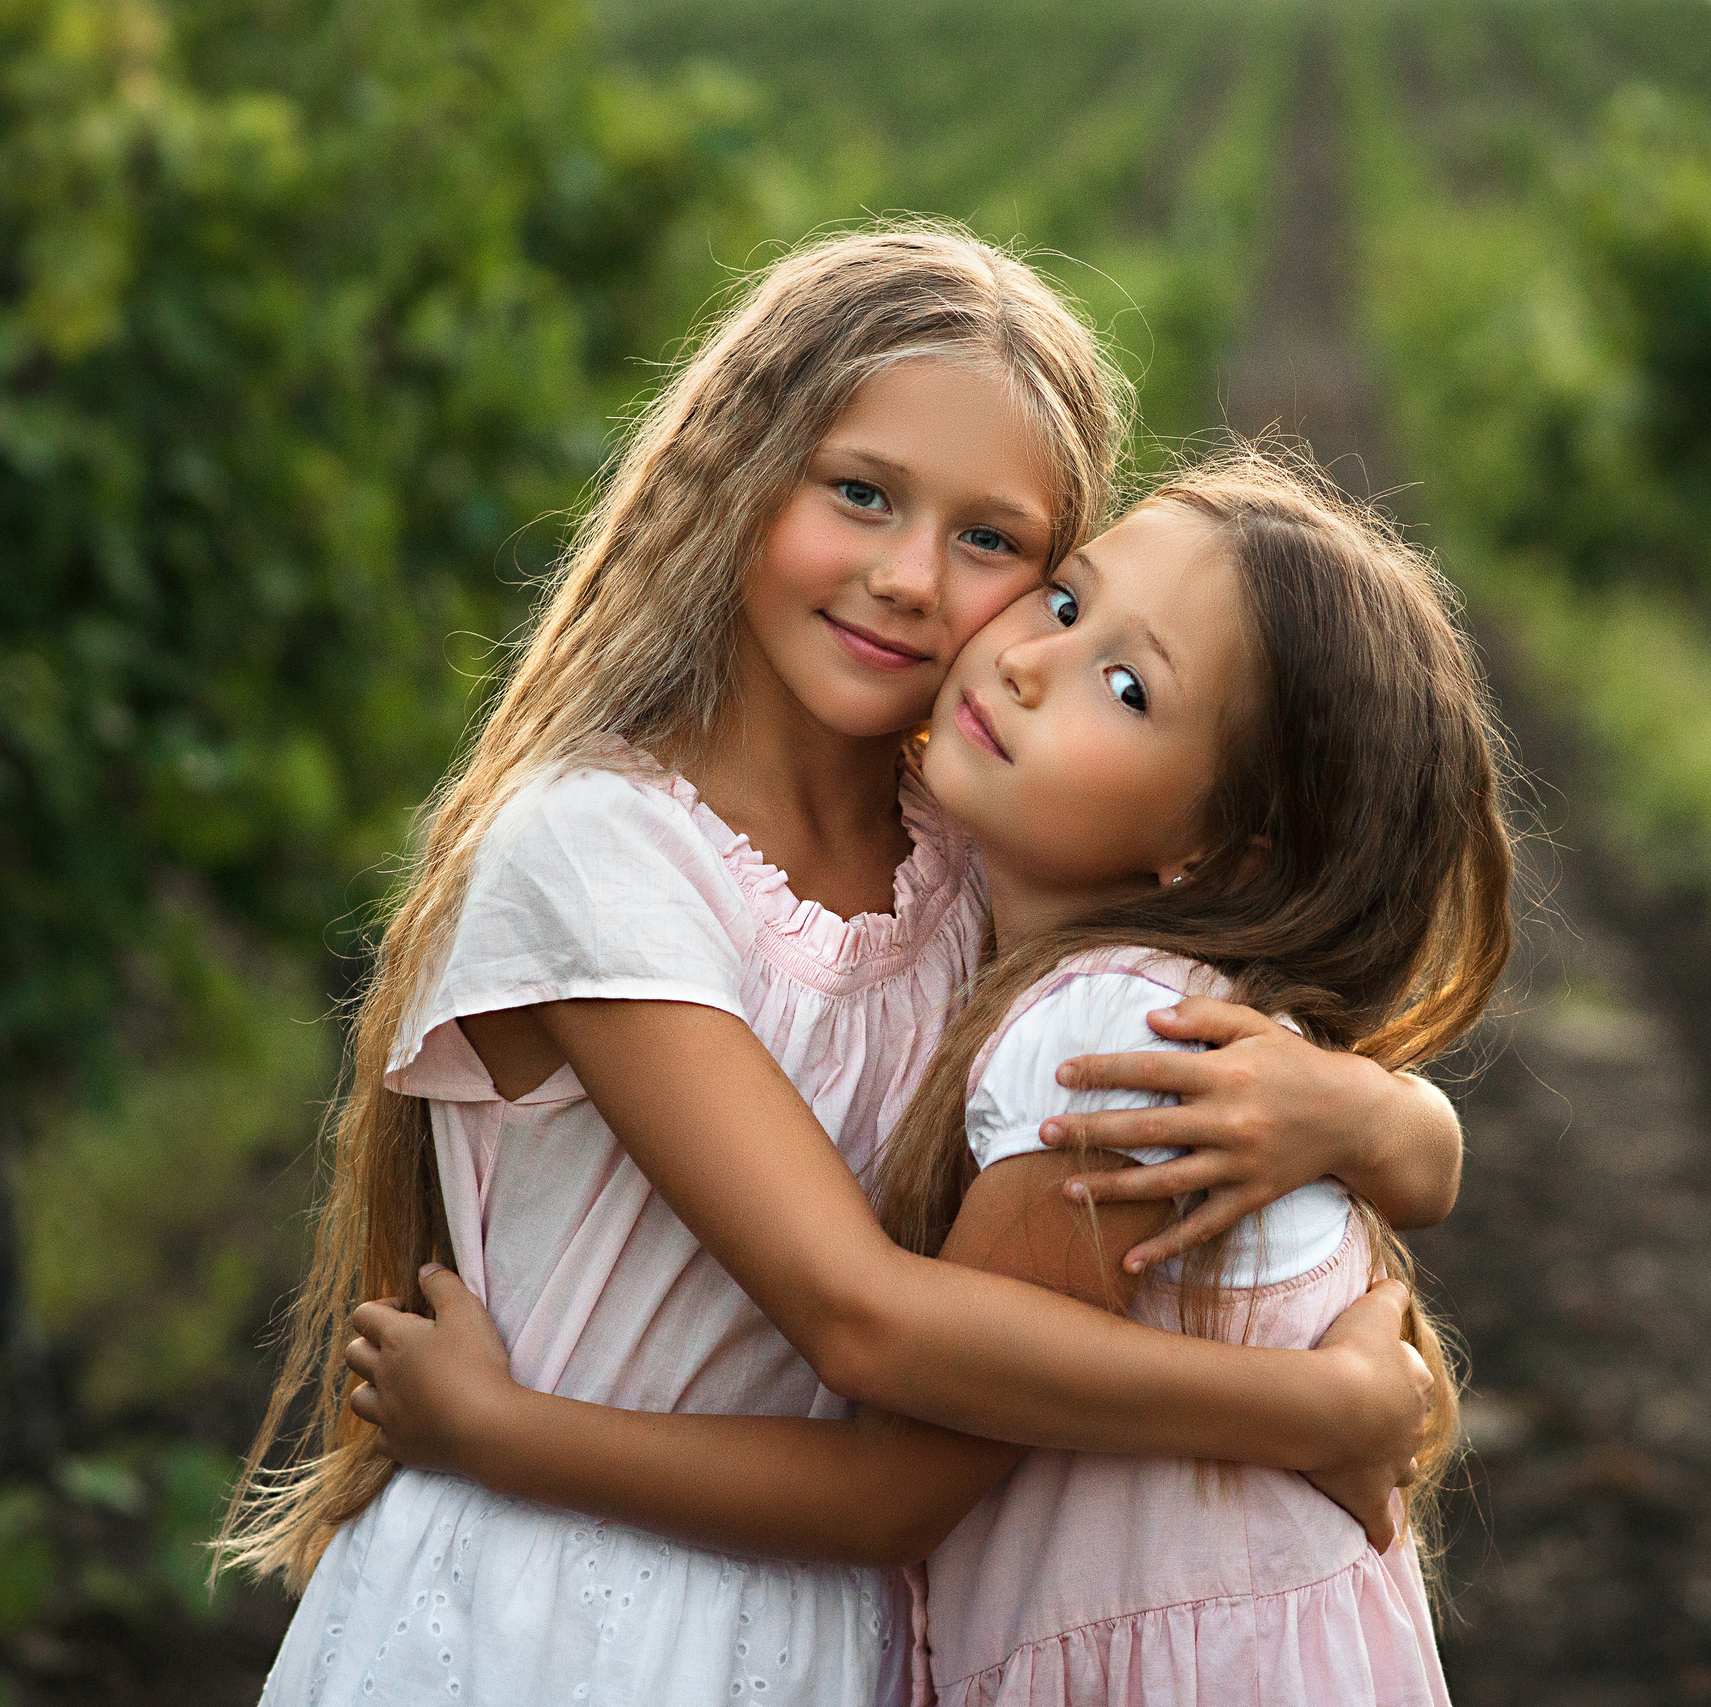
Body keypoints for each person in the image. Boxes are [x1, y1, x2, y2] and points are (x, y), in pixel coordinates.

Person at [225, 224, 1468, 1707]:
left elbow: (1286, 1092)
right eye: (862, 495)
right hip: (555, 1617)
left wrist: (1385, 1120)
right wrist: (1307, 1404)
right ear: (744, 473)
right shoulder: (599, 855)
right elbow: (859, 1317)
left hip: (832, 1631)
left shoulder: (975, 875)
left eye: (995, 545)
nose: (908, 577)